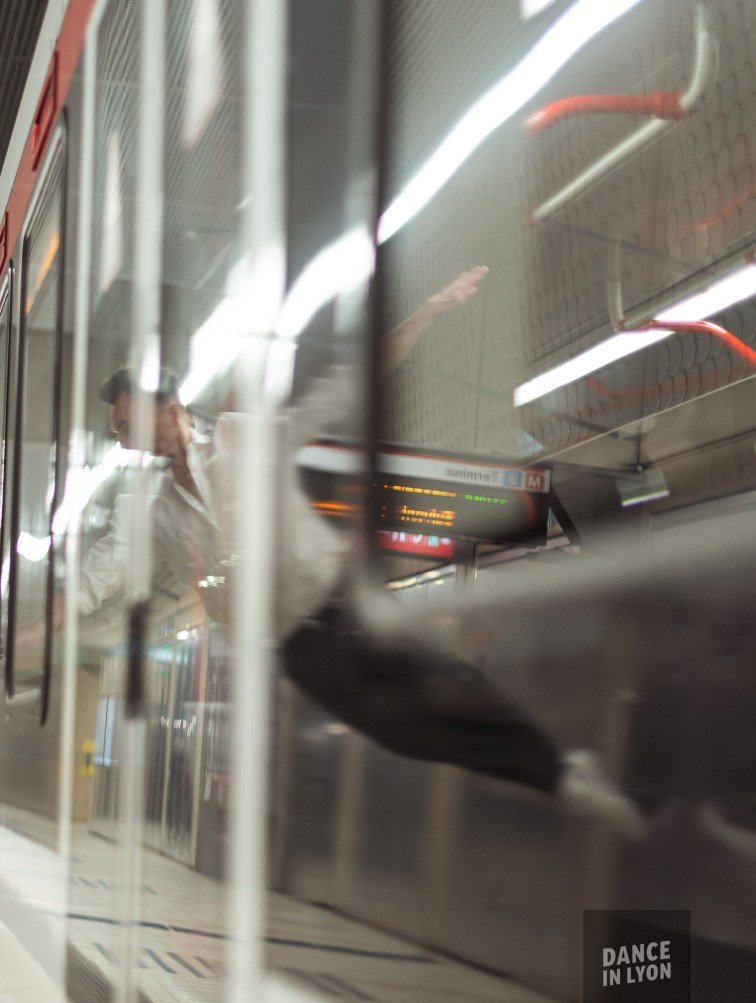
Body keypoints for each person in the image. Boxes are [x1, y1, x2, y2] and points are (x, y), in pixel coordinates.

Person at [79, 268, 647, 838]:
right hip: (294, 645)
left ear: (168, 407)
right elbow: (101, 570)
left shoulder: (243, 437)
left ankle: (558, 772)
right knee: (405, 733)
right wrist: (15, 632)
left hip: (340, 599)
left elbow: (344, 390)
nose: (125, 440)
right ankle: (557, 776)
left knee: (441, 682)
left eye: (127, 424)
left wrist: (426, 313)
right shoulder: (160, 508)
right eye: (119, 432)